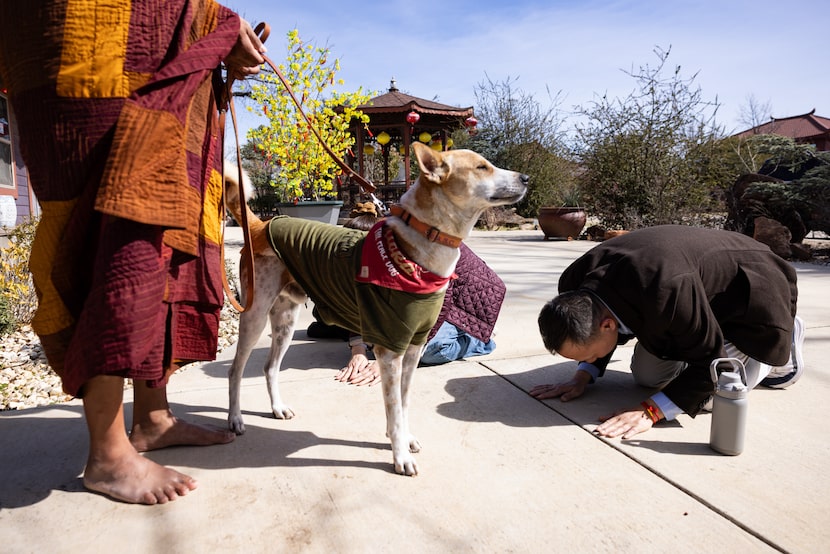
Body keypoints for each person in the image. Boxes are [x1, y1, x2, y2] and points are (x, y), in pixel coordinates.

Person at [0, 1, 266, 504]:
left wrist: (212, 25)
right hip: (85, 35)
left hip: (166, 42)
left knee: (165, 225)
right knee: (116, 229)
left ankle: (152, 416)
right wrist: (215, 23)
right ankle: (107, 454)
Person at [530, 225, 804, 439]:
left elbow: (711, 360)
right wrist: (583, 376)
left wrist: (651, 411)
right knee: (649, 378)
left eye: (588, 356)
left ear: (607, 325)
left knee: (711, 397)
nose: (588, 360)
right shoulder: (574, 285)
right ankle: (694, 332)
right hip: (690, 293)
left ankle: (783, 338)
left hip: (752, 294)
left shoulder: (666, 289)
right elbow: (591, 321)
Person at [305, 203, 505, 385]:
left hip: (466, 301)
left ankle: (478, 338)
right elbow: (357, 303)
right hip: (431, 299)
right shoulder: (358, 254)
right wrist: (358, 351)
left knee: (429, 352)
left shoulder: (414, 247)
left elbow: (436, 307)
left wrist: (392, 361)